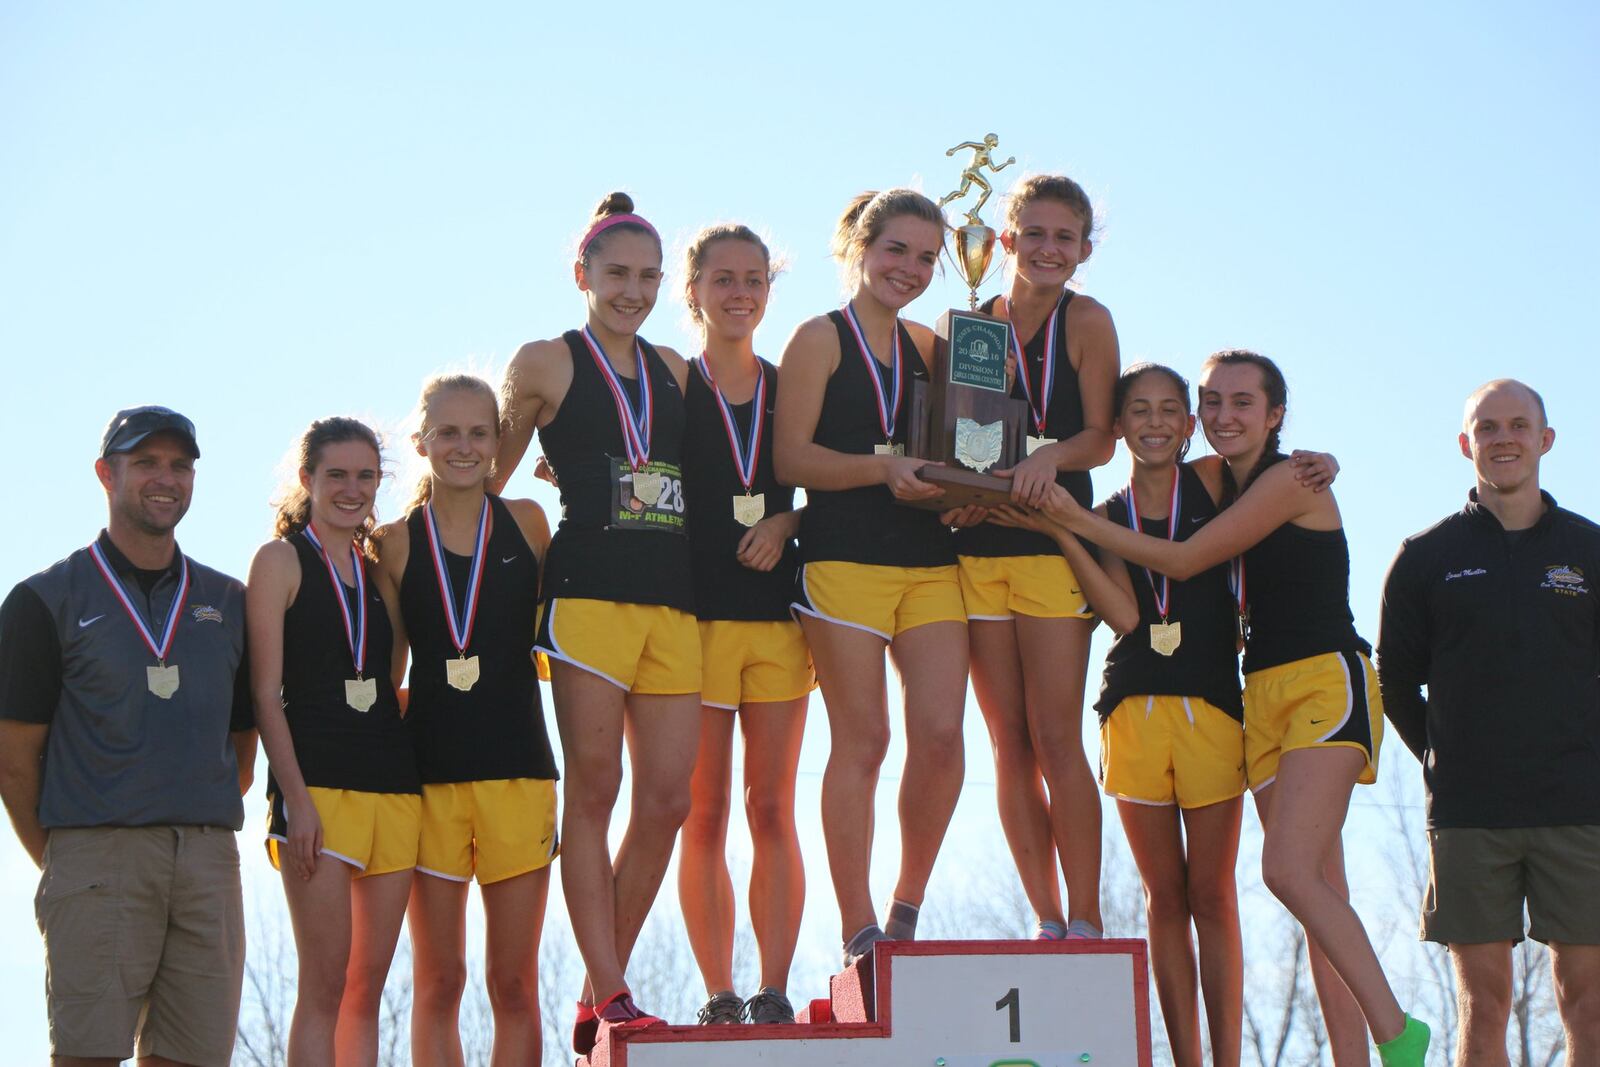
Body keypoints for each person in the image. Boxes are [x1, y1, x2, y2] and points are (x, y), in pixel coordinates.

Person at [1023, 352, 1431, 1066]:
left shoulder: (1284, 479)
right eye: (1213, 401)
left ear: (1276, 416)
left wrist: (1074, 518)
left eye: (1243, 403)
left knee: (1288, 872)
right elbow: (1151, 502)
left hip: (1322, 683)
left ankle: (1398, 1031)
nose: (1223, 415)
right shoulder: (1217, 478)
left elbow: (1183, 563)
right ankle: (1355, 1059)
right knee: (1319, 898)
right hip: (1261, 694)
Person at [494, 193, 699, 1053]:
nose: (634, 291)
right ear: (580, 275)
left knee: (667, 800)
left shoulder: (676, 372)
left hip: (673, 601)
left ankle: (591, 991)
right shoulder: (545, 360)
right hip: (586, 595)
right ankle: (613, 989)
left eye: (649, 276)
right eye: (617, 274)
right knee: (597, 790)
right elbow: (485, 479)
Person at [0, 405, 256, 1067]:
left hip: (208, 863)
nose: (165, 478)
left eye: (179, 465)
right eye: (145, 462)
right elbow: (14, 761)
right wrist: (73, 858)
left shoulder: (230, 602)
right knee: (87, 1057)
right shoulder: (43, 599)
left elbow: (242, 748)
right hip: (96, 853)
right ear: (105, 474)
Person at [773, 188, 970, 967]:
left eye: (927, 257)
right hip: (842, 557)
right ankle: (857, 927)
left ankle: (906, 907)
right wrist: (880, 469)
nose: (911, 269)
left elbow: (964, 446)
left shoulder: (934, 343)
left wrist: (965, 492)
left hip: (927, 561)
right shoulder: (817, 339)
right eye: (897, 250)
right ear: (860, 245)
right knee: (865, 738)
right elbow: (791, 459)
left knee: (944, 736)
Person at [1377, 379, 1600, 1066]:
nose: (1504, 438)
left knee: (1589, 1003)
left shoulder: (1589, 549)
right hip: (1471, 813)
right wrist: (1445, 753)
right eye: (1488, 426)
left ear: (1545, 439)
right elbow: (1393, 682)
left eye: (1518, 425)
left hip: (1579, 809)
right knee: (1486, 1004)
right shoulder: (1425, 556)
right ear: (1466, 442)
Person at [371, 375, 558, 1067]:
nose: (463, 445)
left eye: (479, 432)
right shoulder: (392, 542)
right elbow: (389, 675)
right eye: (447, 432)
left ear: (497, 442)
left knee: (512, 983)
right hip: (430, 783)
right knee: (439, 981)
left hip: (520, 774)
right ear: (420, 441)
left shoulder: (528, 522)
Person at [955, 174, 1118, 942]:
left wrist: (1048, 456)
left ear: (1085, 248)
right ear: (1006, 240)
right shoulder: (975, 324)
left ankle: (1085, 913)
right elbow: (963, 437)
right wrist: (953, 490)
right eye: (1037, 235)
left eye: (1067, 237)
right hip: (980, 545)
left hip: (1054, 541)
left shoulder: (1088, 320)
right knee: (1007, 743)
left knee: (1057, 736)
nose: (1050, 249)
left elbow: (1099, 438)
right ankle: (1046, 918)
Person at [245, 417, 420, 1066]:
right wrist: (298, 800)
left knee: (364, 991)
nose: (352, 488)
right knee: (323, 984)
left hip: (393, 789)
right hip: (316, 787)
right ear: (307, 479)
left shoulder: (379, 569)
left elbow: (393, 674)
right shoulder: (280, 560)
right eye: (337, 474)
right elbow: (265, 694)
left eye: (366, 475)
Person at [676, 224, 812, 1026]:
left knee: (771, 808)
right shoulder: (667, 385)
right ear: (691, 288)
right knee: (703, 811)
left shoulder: (794, 383)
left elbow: (831, 487)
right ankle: (719, 990)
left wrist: (789, 522)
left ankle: (773, 987)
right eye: (722, 278)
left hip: (778, 626)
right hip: (691, 625)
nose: (739, 293)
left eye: (754, 279)